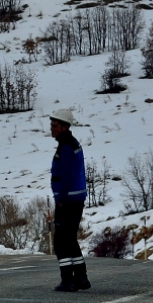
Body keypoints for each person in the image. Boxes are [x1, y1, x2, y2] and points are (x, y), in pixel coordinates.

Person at [49, 108, 90, 292]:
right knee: (70, 239)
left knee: (61, 240)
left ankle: (68, 280)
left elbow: (66, 175)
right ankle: (81, 277)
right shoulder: (72, 144)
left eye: (55, 125)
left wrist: (61, 198)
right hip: (76, 198)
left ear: (64, 127)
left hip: (68, 200)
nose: (52, 128)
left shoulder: (66, 147)